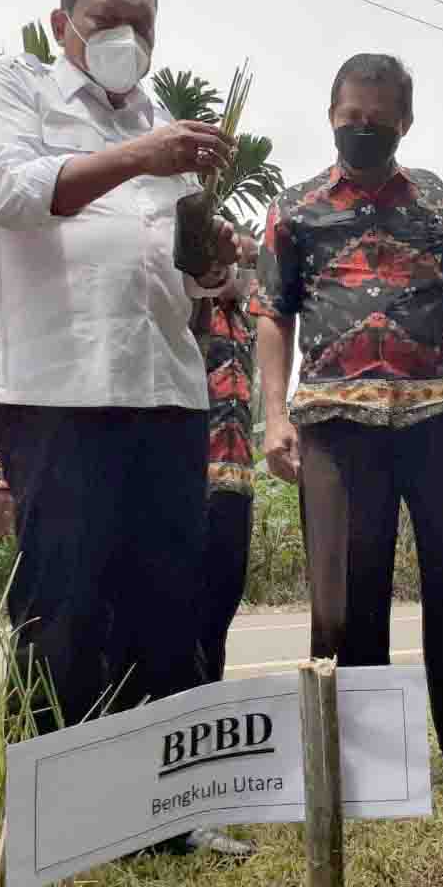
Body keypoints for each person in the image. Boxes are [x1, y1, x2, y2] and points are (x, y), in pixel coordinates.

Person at [0, 0, 246, 858]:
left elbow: (188, 281)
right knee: (64, 606)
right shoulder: (15, 88)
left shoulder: (171, 129)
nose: (127, 37)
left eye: (143, 22)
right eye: (107, 17)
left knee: (165, 603)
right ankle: (58, 822)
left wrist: (217, 260)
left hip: (164, 387)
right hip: (59, 391)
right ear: (63, 23)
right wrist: (138, 159)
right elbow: (9, 196)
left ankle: (165, 819)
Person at [252, 53, 443, 797]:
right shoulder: (295, 206)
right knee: (344, 598)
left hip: (442, 415)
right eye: (351, 118)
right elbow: (273, 315)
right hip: (335, 425)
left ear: (404, 123)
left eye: (378, 120)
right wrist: (274, 416)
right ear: (331, 115)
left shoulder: (439, 203)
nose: (363, 130)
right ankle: (362, 768)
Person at [193, 233, 259, 682]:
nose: (251, 275)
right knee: (184, 608)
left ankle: (210, 698)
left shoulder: (250, 324)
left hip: (239, 482)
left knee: (221, 605)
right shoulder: (193, 315)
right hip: (192, 479)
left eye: (256, 265)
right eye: (244, 263)